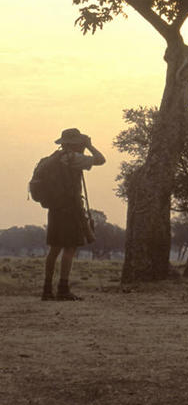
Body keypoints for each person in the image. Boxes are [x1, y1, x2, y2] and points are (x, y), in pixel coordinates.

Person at [42, 127, 106, 301]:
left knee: (54, 249)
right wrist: (90, 146)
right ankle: (63, 288)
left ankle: (47, 289)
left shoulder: (53, 159)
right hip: (71, 209)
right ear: (75, 143)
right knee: (70, 248)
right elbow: (101, 160)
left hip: (55, 209)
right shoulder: (74, 159)